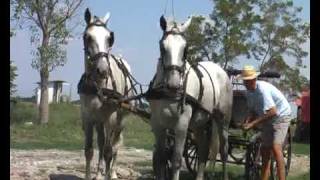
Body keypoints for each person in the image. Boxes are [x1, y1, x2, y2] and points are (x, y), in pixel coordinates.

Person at [239, 65, 292, 180]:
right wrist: (247, 121)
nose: (245, 83)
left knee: (276, 147)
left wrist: (253, 124)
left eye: (246, 80)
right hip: (269, 119)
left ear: (253, 80)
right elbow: (252, 110)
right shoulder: (249, 92)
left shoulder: (263, 90)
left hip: (281, 116)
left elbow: (273, 111)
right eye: (244, 80)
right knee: (264, 151)